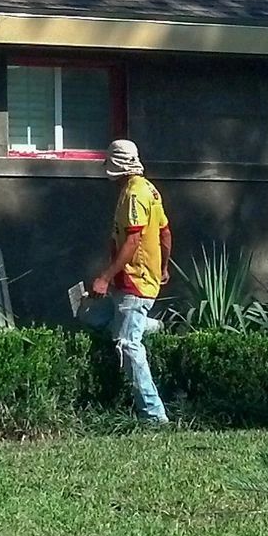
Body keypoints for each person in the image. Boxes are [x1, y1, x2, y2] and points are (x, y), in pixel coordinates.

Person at [87, 139, 171, 424]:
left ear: (118, 168)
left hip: (134, 281)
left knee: (127, 343)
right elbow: (165, 233)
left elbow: (133, 240)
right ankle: (157, 327)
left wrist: (104, 277)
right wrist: (163, 267)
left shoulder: (134, 195)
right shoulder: (150, 189)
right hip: (145, 278)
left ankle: (153, 415)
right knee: (107, 323)